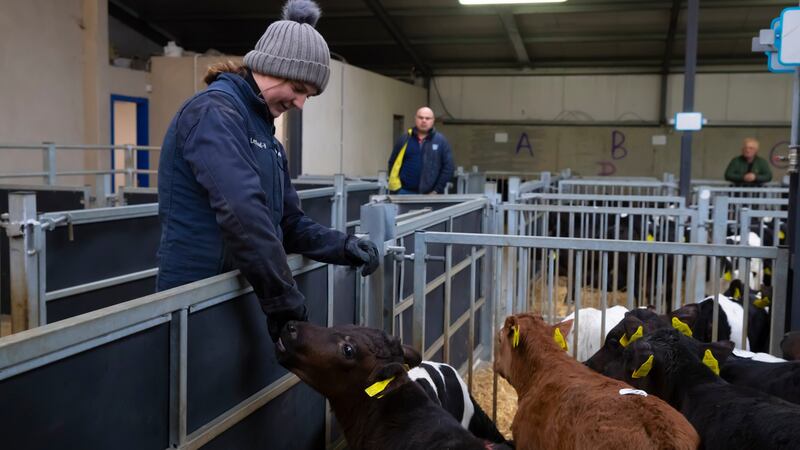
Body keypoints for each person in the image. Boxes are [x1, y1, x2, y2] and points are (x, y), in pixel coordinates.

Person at [156, 0, 379, 342]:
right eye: (299, 89)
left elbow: (287, 222)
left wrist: (343, 246)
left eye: (309, 95)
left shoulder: (265, 135)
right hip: (194, 300)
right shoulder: (215, 114)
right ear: (273, 68)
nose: (301, 103)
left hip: (236, 291)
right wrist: (284, 301)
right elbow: (244, 214)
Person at [387, 106, 455, 195]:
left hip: (431, 195)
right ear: (415, 119)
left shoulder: (441, 141)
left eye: (427, 118)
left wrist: (437, 190)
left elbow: (448, 168)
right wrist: (397, 189)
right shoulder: (404, 139)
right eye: (421, 117)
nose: (424, 121)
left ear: (433, 120)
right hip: (404, 192)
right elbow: (392, 162)